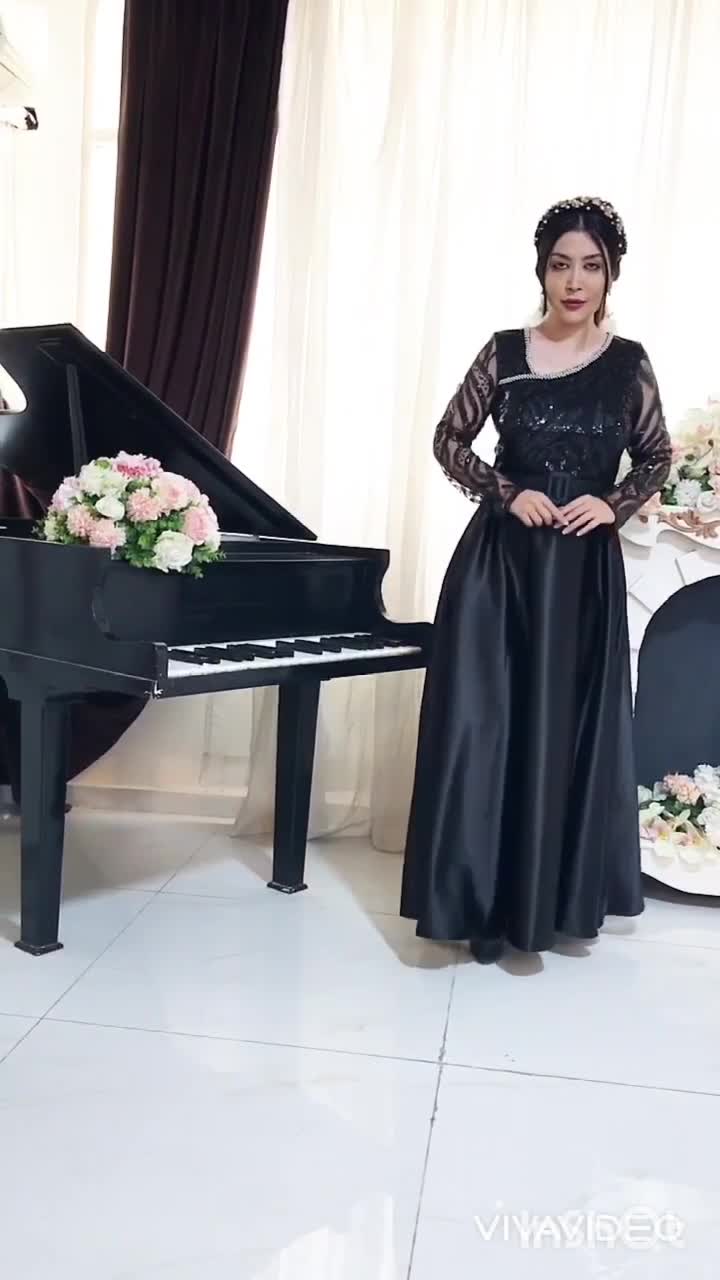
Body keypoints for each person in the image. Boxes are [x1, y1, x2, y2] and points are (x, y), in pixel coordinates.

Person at [399, 195, 672, 963]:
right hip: (501, 568)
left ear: (609, 275)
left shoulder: (628, 364)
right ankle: (478, 904)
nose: (574, 281)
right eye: (560, 265)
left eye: (590, 266)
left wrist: (610, 502)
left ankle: (546, 907)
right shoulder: (504, 353)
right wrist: (506, 492)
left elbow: (656, 455)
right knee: (484, 723)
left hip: (580, 573)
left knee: (562, 726)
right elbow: (449, 439)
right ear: (542, 272)